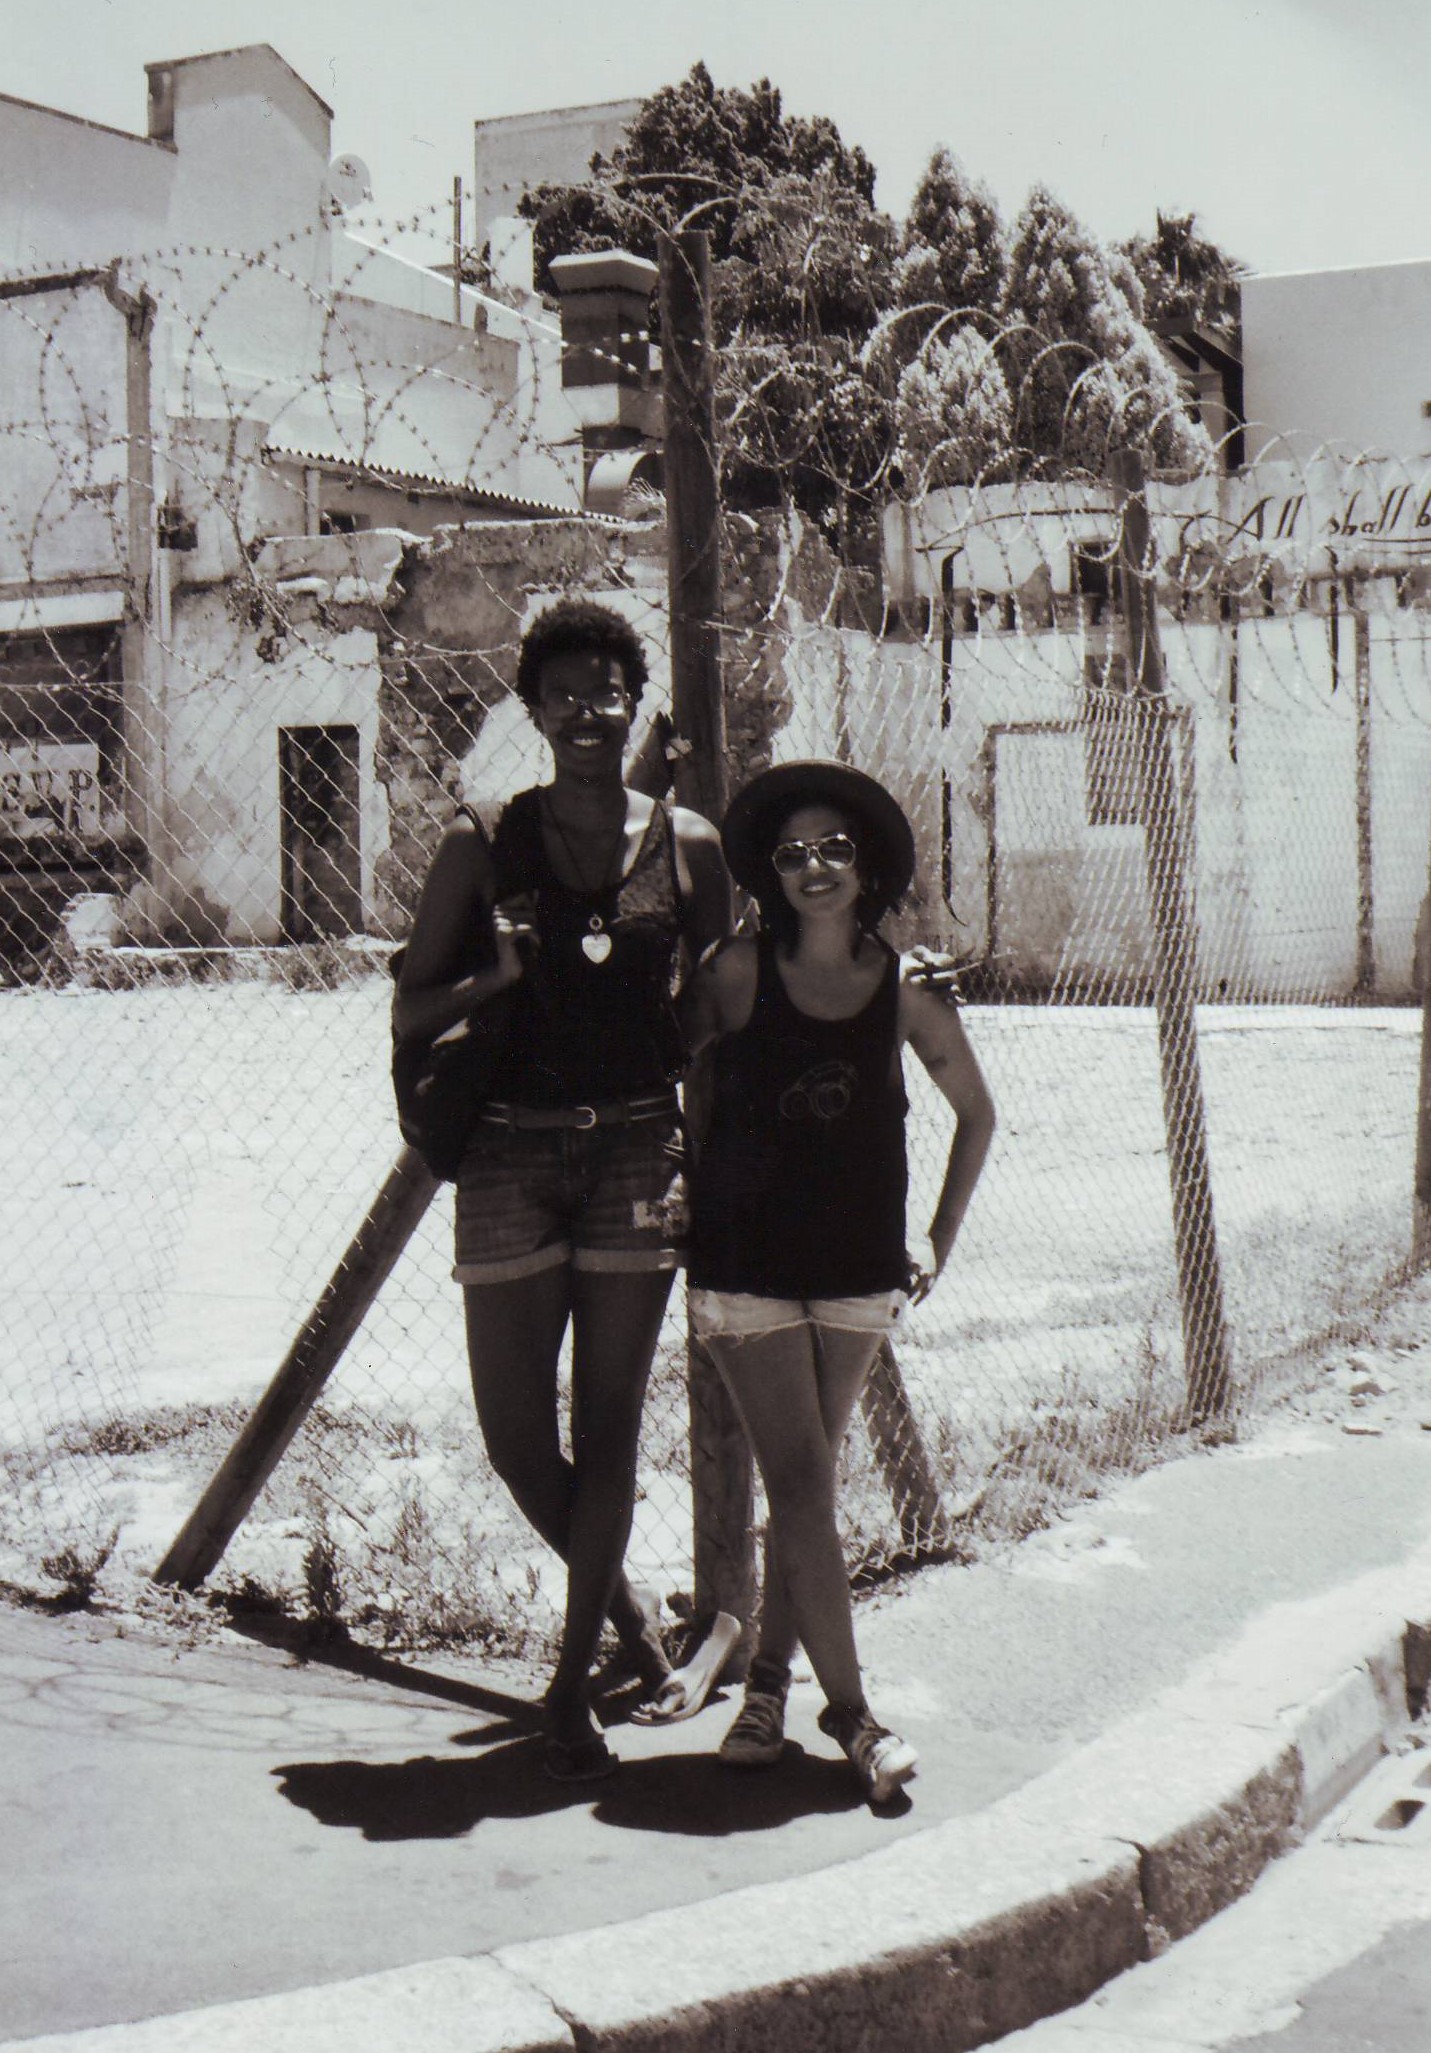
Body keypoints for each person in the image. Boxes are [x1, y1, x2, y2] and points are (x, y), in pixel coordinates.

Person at [393, 598, 730, 1781]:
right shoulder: (486, 840)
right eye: (565, 691)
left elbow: (714, 1009)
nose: (589, 710)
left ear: (635, 705)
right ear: (532, 711)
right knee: (515, 1436)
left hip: (639, 1153)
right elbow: (409, 1007)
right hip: (510, 1157)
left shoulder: (687, 844)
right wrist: (496, 969)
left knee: (613, 1427)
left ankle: (569, 1684)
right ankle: (636, 1631)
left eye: (608, 689)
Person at [679, 761, 996, 1806]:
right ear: (770, 874)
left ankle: (769, 1683)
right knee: (807, 1486)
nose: (815, 867)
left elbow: (976, 1115)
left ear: (867, 868)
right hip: (750, 1271)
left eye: (835, 849)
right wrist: (687, 1185)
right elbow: (679, 1087)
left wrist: (938, 1241)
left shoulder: (905, 990)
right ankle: (855, 1714)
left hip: (858, 1269)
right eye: (792, 853)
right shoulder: (734, 973)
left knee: (800, 1490)